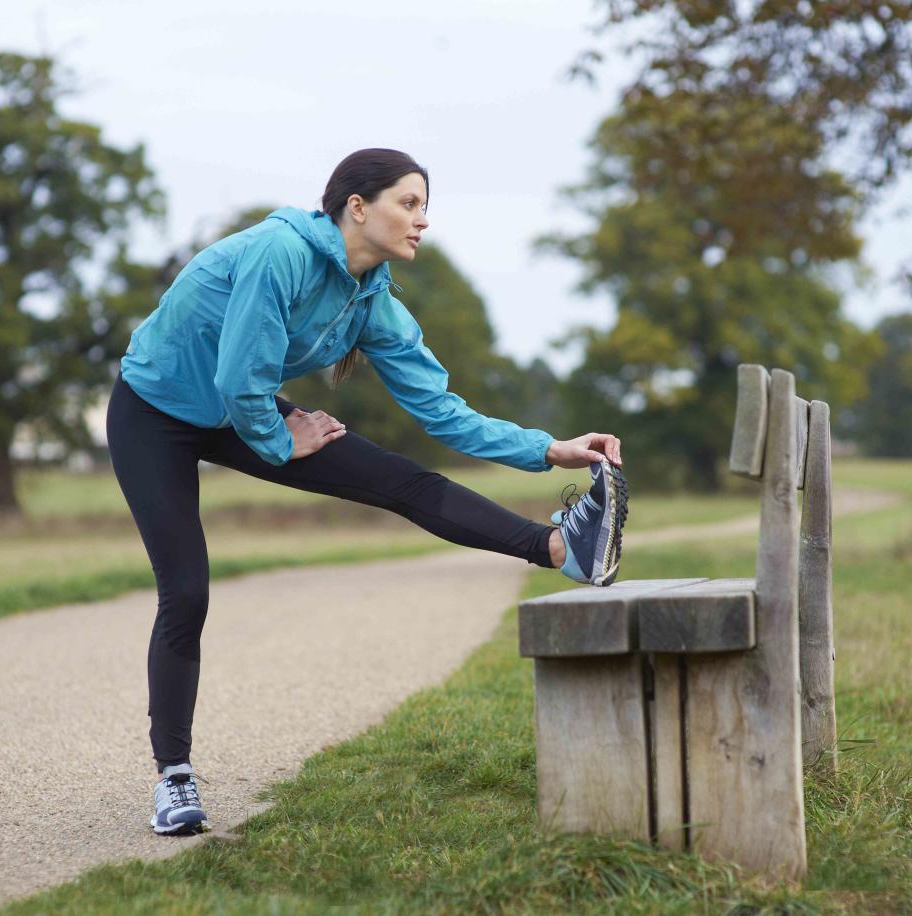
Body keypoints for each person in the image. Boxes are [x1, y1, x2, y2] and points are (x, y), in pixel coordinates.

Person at [105, 148, 628, 836]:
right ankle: (173, 779)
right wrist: (280, 437)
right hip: (156, 411)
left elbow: (440, 410)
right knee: (187, 588)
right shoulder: (279, 253)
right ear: (358, 207)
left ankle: (562, 547)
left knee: (401, 479)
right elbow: (238, 378)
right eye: (408, 204)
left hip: (248, 405)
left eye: (423, 206)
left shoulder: (371, 296)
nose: (422, 221)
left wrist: (547, 449)